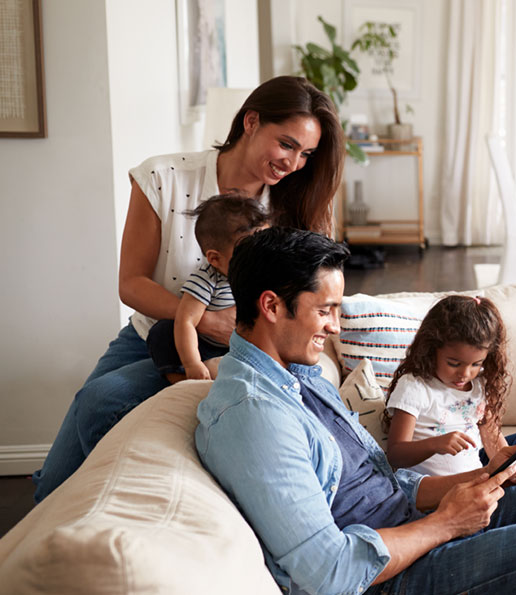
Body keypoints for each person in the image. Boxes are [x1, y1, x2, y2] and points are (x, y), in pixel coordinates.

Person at [196, 227, 516, 594]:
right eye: (326, 311)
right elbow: (328, 572)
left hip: (412, 521)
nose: (335, 327)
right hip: (393, 574)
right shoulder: (254, 416)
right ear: (272, 306)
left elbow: (387, 481)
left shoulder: (302, 376)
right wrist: (447, 523)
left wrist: (482, 477)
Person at [33, 75, 346, 502]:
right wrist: (207, 319)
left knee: (103, 401)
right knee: (56, 479)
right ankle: (72, 519)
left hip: (236, 348)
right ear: (250, 121)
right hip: (154, 331)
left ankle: (117, 509)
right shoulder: (164, 177)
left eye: (306, 153)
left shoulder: (293, 204)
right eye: (286, 144)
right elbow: (132, 283)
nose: (293, 163)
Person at [383, 295, 516, 481]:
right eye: (454, 363)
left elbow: (495, 444)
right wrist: (435, 444)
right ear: (431, 349)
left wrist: (512, 468)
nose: (465, 374)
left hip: (479, 477)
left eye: (476, 364)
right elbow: (395, 454)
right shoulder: (415, 387)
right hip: (445, 490)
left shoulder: (479, 385)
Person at [145, 194, 269, 383]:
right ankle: (182, 380)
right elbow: (185, 321)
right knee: (164, 331)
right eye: (248, 253)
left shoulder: (265, 275)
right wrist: (192, 363)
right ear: (215, 259)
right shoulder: (207, 279)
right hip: (207, 348)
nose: (260, 259)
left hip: (246, 347)